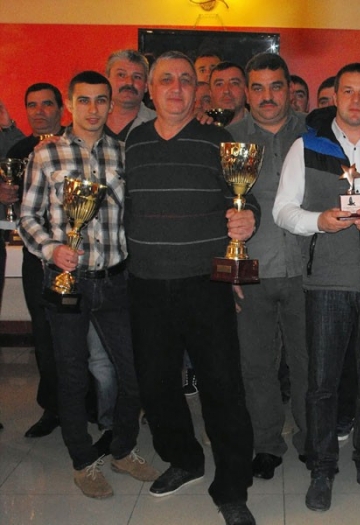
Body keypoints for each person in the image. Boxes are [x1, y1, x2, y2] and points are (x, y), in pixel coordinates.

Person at [124, 51, 257, 525]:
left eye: (184, 79)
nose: (176, 87)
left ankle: (232, 486)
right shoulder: (134, 142)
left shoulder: (217, 139)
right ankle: (184, 459)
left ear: (195, 89)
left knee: (222, 388)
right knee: (156, 385)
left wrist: (248, 218)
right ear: (151, 90)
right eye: (166, 80)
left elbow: (244, 199)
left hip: (205, 285)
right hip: (145, 284)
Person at [273, 62, 360, 512]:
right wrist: (319, 222)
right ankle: (322, 468)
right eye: (347, 91)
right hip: (327, 282)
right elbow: (282, 209)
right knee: (322, 384)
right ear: (334, 96)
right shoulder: (306, 147)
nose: (355, 100)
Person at [18, 70, 157, 499]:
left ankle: (122, 449)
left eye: (101, 100)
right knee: (73, 375)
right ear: (69, 103)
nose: (93, 109)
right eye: (84, 100)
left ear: (110, 104)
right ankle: (82, 461)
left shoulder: (124, 154)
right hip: (66, 280)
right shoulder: (46, 154)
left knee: (134, 372)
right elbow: (28, 217)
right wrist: (51, 249)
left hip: (115, 281)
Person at [225, 52, 309, 481]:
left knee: (308, 364)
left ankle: (311, 439)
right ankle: (267, 444)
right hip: (251, 272)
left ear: (289, 89)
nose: (267, 96)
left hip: (308, 270)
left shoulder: (317, 134)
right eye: (257, 88)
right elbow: (213, 207)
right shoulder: (226, 139)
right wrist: (227, 271)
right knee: (256, 366)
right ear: (246, 92)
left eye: (276, 86)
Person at [7, 83, 65, 440]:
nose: (39, 111)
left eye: (47, 104)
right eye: (32, 105)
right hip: (35, 255)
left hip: (73, 255)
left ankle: (88, 403)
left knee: (81, 335)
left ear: (61, 109)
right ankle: (52, 407)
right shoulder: (19, 150)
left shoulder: (73, 144)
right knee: (43, 334)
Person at [104, 49, 156, 143]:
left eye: (137, 77)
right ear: (106, 81)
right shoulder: (87, 121)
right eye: (121, 75)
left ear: (146, 86)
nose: (129, 82)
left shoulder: (160, 125)